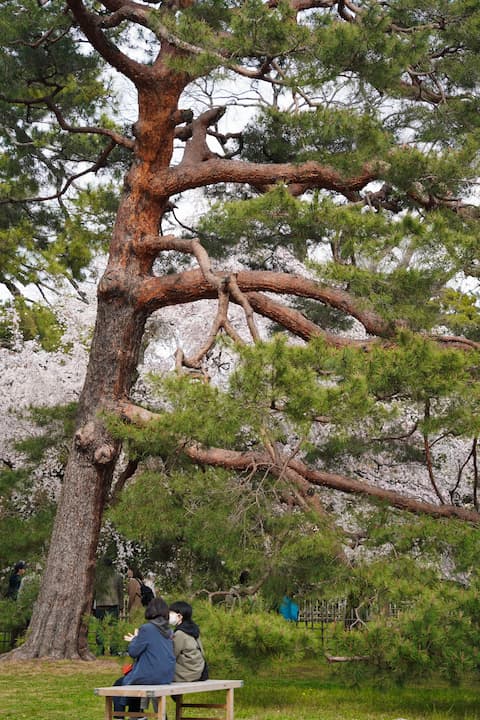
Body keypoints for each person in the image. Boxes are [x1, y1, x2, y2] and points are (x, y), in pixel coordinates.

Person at [113, 596, 175, 717]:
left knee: (118, 684)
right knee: (133, 686)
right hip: (166, 676)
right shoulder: (169, 631)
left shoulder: (147, 629)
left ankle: (120, 717)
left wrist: (134, 639)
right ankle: (136, 716)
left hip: (149, 675)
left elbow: (133, 652)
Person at [169, 600, 207, 682]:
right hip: (198, 670)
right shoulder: (193, 629)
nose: (168, 616)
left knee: (157, 672)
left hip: (188, 673)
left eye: (171, 613)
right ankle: (176, 695)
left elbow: (172, 655)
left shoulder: (180, 633)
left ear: (179, 616)